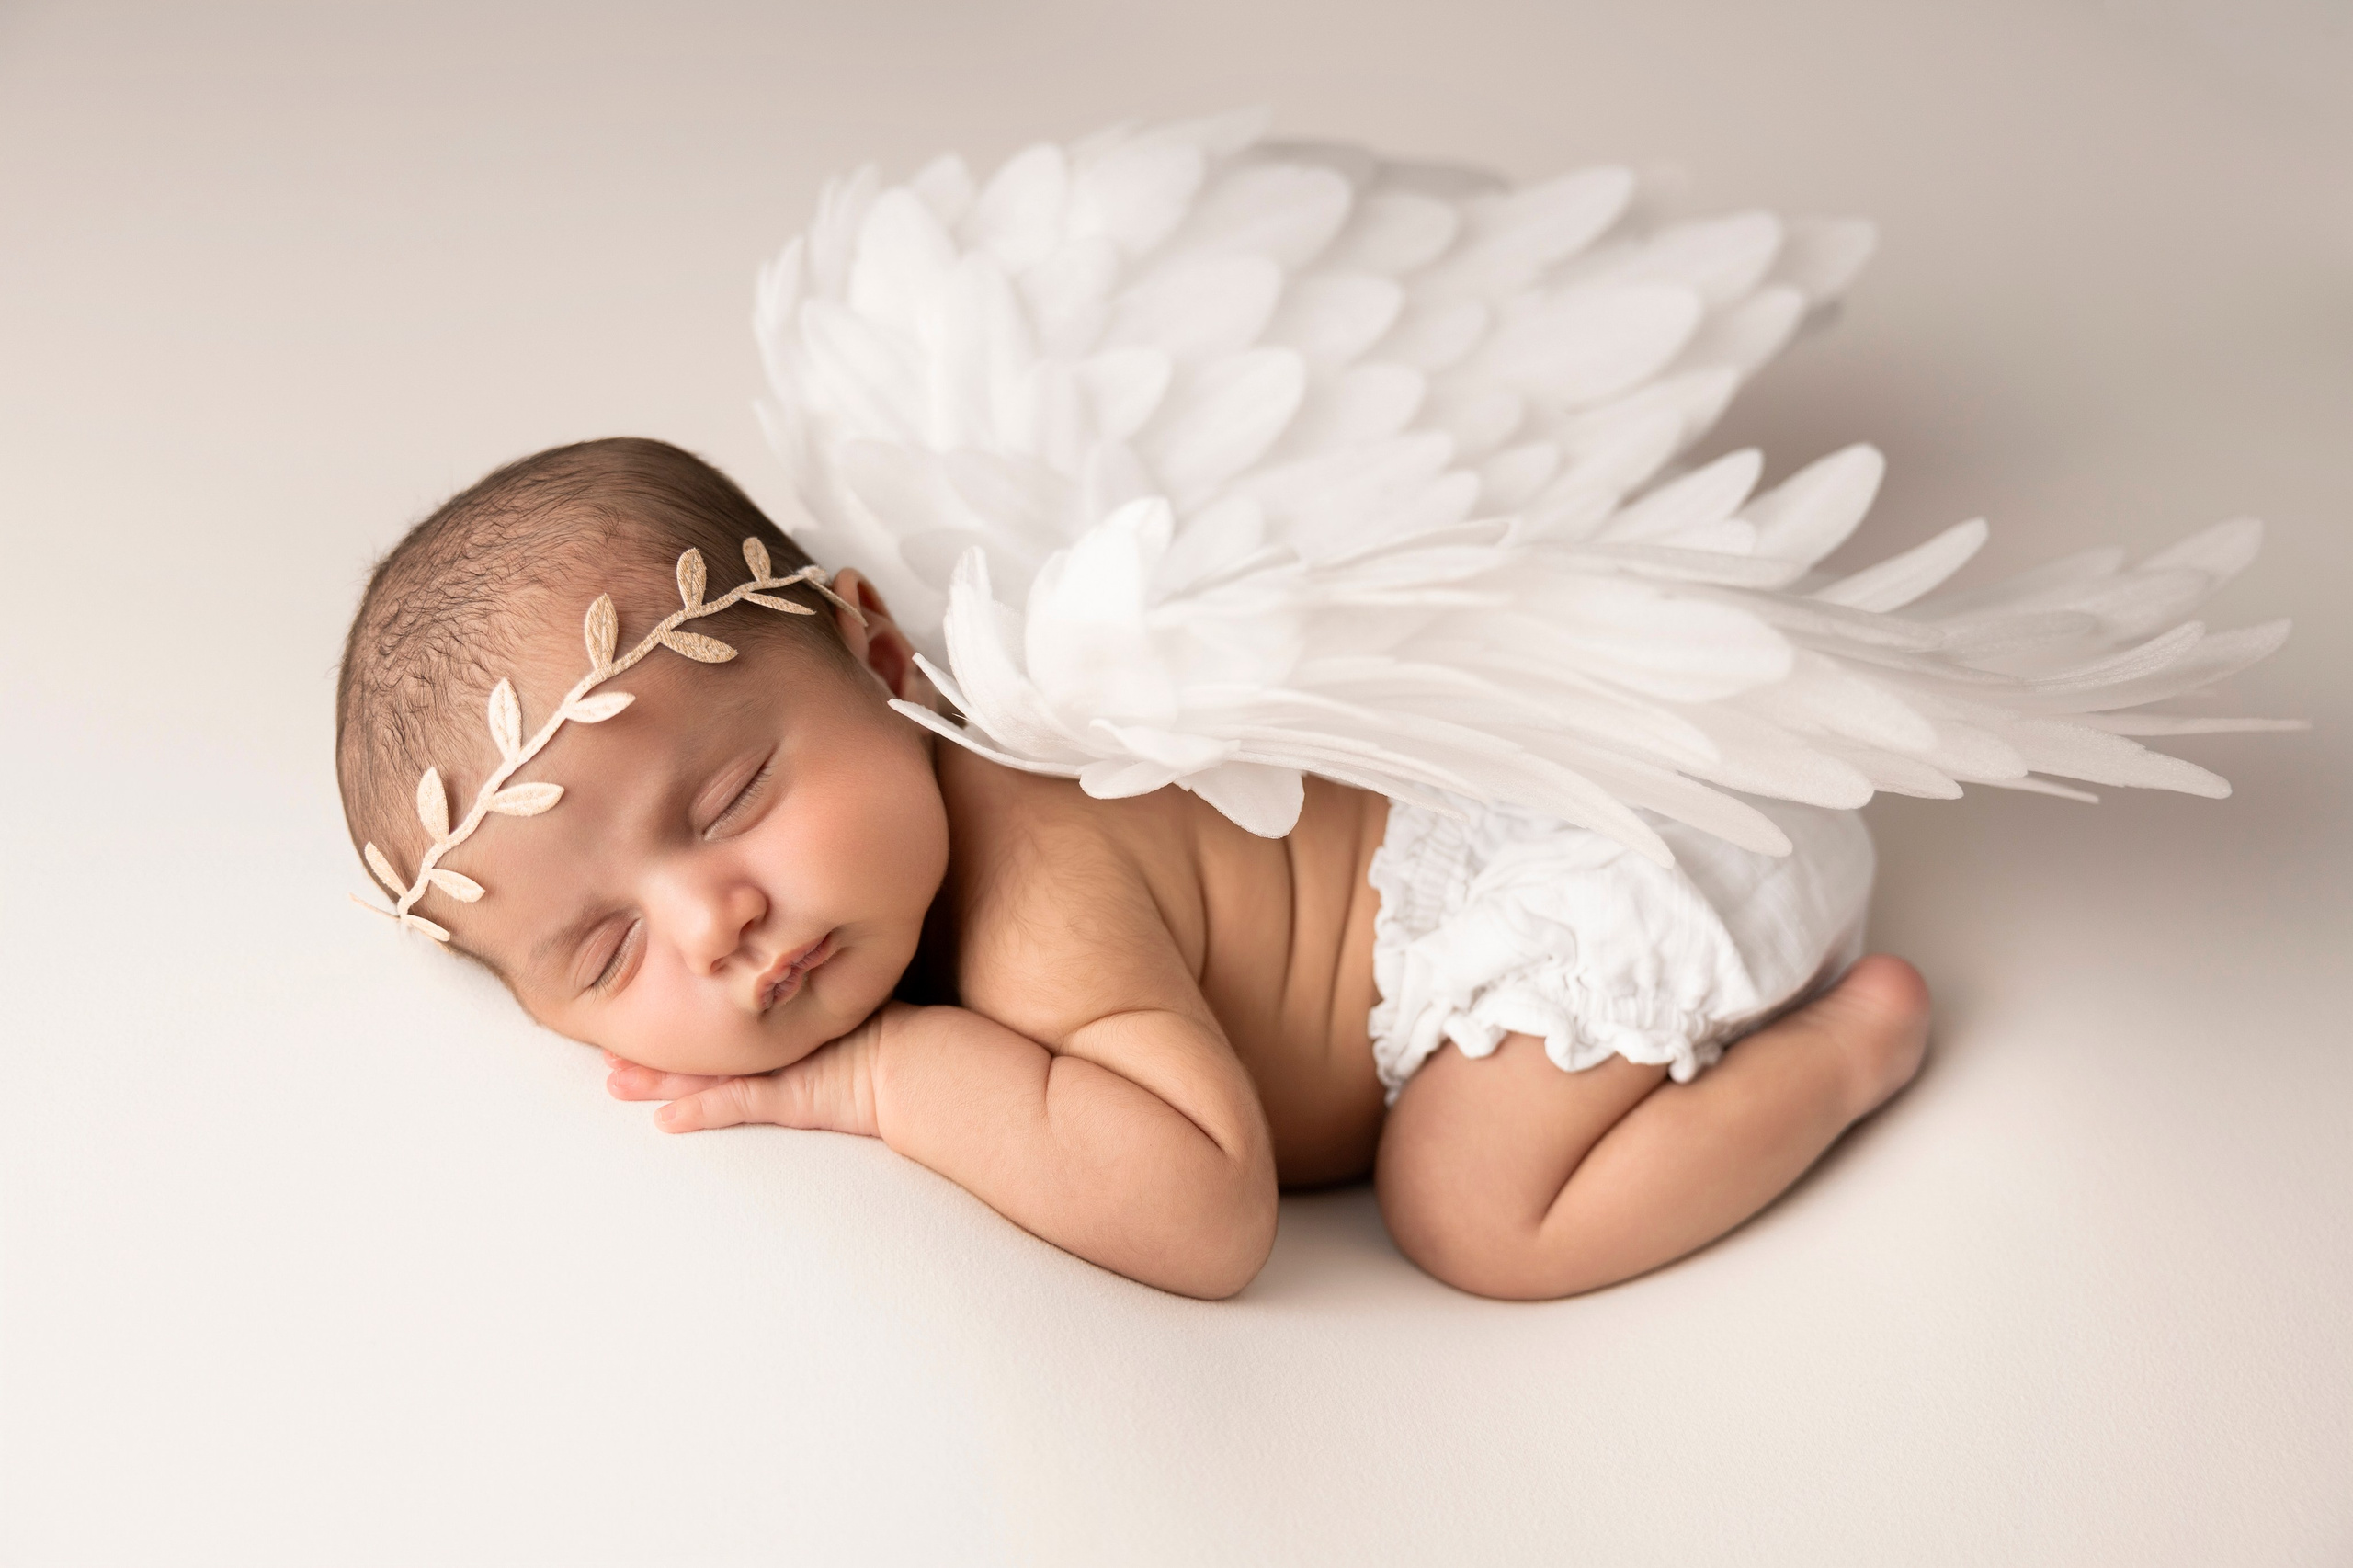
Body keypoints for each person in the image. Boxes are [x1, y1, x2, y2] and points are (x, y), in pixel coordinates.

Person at [336, 436, 1927, 1301]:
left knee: (1469, 1211)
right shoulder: (880, 866)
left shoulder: (1033, 874)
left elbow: (1206, 1207)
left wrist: (889, 1077)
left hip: (1608, 867)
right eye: (605, 955)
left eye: (737, 790)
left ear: (880, 654)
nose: (713, 918)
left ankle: (1847, 1052)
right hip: (1556, 830)